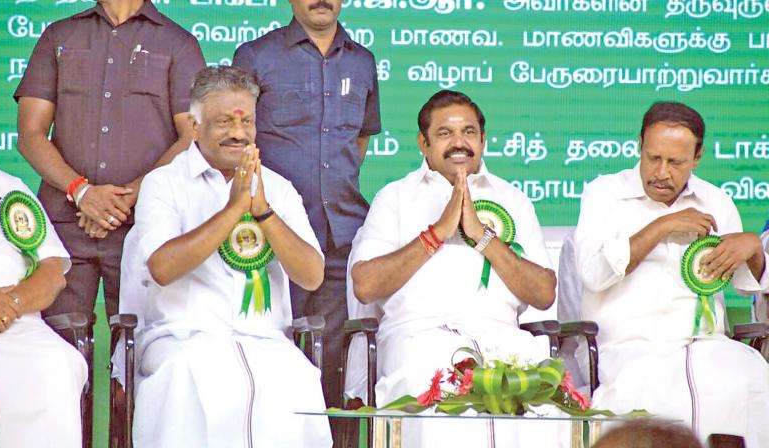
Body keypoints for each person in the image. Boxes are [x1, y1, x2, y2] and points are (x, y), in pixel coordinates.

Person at [128, 66, 332, 447]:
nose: (239, 133)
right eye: (224, 122)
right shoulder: (163, 183)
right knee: (190, 378)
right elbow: (162, 268)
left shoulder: (278, 188)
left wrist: (264, 212)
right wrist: (233, 209)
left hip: (266, 341)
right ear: (194, 125)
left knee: (298, 378)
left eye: (247, 122)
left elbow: (311, 275)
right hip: (184, 338)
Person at [348, 90, 564, 446]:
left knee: (545, 395)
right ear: (424, 142)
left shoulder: (513, 198)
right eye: (445, 133)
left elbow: (543, 294)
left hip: (503, 340)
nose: (459, 143)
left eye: (469, 132)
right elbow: (365, 285)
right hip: (419, 339)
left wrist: (482, 237)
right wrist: (437, 233)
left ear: (483, 139)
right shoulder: (396, 197)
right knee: (437, 395)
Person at [575, 101, 769, 445]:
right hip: (633, 349)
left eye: (675, 162)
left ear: (696, 158)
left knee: (751, 383)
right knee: (663, 398)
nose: (661, 172)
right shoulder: (604, 193)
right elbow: (593, 274)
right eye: (653, 158)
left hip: (709, 346)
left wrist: (753, 248)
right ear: (639, 145)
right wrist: (663, 225)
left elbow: (748, 287)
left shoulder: (716, 200)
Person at [232, 0, 382, 415]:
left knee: (333, 362)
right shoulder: (256, 56)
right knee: (269, 350)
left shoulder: (363, 61)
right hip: (272, 236)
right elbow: (240, 135)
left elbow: (360, 142)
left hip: (341, 236)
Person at [14, 0, 205, 319]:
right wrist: (82, 192)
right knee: (60, 342)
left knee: (138, 344)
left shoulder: (178, 43)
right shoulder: (58, 35)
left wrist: (124, 200)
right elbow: (30, 134)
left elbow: (192, 136)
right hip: (64, 222)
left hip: (144, 222)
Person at [0, 94, 87, 447]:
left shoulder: (9, 190)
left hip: (17, 326)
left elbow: (53, 270)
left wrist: (10, 306)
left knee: (59, 363)